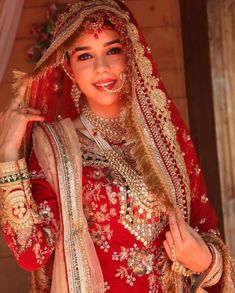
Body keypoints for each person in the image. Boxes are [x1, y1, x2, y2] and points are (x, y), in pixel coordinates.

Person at [0, 1, 234, 292]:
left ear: (132, 54)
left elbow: (204, 232)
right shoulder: (53, 147)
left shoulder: (165, 138)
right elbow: (31, 253)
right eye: (85, 56)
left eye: (113, 50)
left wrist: (207, 261)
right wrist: (9, 154)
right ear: (69, 68)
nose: (102, 68)